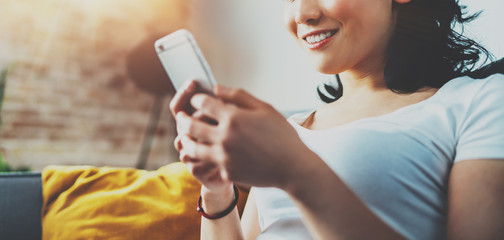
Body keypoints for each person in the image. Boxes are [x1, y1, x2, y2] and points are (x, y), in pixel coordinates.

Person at [169, 0, 504, 239]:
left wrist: (298, 171)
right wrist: (217, 189)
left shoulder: (478, 101)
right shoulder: (289, 130)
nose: (302, 13)